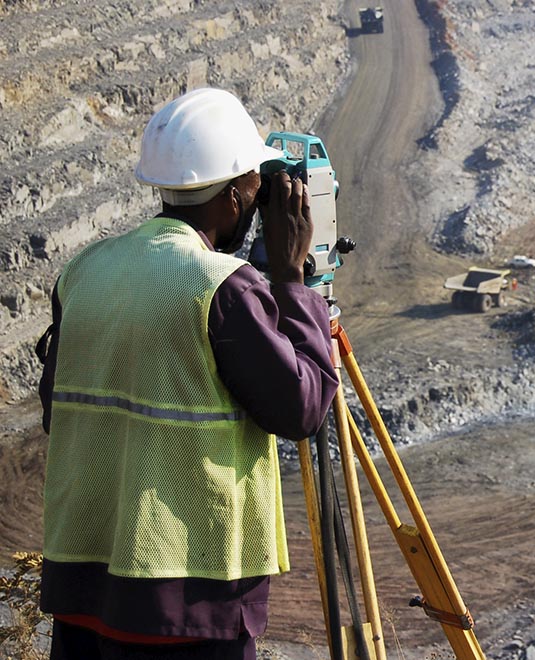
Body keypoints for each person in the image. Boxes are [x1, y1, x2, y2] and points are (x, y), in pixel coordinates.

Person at [36, 87, 340, 659]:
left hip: (85, 586)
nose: (263, 196)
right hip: (188, 602)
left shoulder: (84, 271)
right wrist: (295, 283)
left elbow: (60, 408)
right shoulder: (223, 286)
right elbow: (302, 408)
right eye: (256, 182)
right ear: (232, 198)